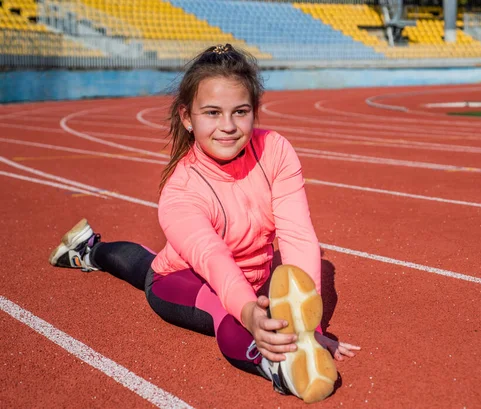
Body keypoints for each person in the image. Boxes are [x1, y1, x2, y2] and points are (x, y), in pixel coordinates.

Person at [48, 44, 360, 403]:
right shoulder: (180, 192)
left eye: (240, 112)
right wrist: (249, 315)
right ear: (187, 117)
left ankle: (90, 248)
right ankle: (277, 367)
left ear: (254, 111)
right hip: (184, 278)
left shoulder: (275, 150)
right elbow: (215, 262)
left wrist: (310, 327)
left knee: (145, 262)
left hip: (233, 276)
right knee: (212, 300)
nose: (227, 127)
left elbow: (297, 234)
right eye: (212, 113)